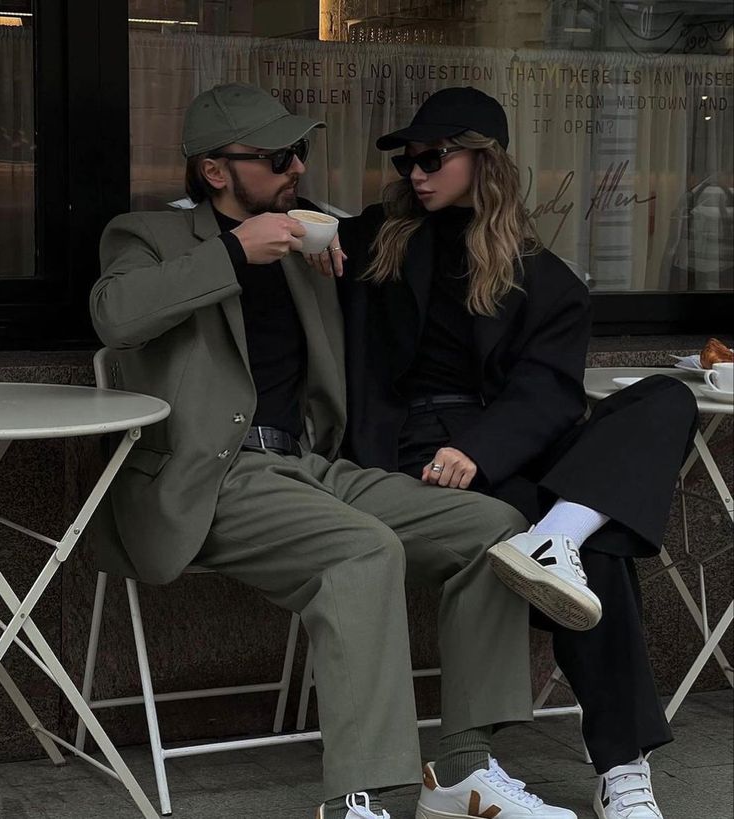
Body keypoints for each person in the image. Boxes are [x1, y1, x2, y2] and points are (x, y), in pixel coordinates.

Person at [89, 83, 580, 819]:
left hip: (311, 468)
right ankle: (358, 796)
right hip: (213, 477)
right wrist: (232, 251)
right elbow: (115, 316)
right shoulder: (147, 236)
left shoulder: (307, 245)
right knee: (364, 551)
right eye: (279, 157)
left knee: (493, 530)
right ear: (217, 172)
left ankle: (463, 771)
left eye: (302, 153)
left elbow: (421, 257)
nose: (297, 169)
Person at [331, 87, 700, 819]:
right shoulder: (380, 238)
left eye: (434, 157)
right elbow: (299, 231)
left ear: (485, 162)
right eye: (408, 160)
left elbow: (550, 391)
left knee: (669, 398)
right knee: (600, 555)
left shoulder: (549, 280)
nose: (417, 172)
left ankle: (560, 534)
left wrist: (480, 447)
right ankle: (621, 760)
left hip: (512, 448)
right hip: (413, 454)